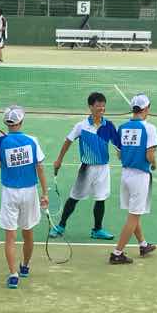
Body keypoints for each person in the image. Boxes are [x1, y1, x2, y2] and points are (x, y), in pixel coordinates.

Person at [0, 106, 48, 289]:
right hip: (29, 192)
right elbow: (39, 167)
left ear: (6, 123)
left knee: (10, 237)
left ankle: (13, 275)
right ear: (21, 122)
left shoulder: (1, 142)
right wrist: (45, 193)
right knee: (28, 233)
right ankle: (25, 266)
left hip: (10, 193)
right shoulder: (32, 141)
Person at [50, 92, 117, 240]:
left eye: (103, 105)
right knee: (74, 197)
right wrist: (59, 159)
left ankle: (97, 229)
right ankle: (60, 226)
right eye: (98, 105)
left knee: (100, 198)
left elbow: (118, 146)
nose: (101, 108)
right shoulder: (82, 126)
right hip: (86, 168)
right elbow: (68, 141)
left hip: (103, 168)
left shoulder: (109, 126)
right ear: (90, 107)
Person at [109, 94, 157, 264]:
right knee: (134, 215)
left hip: (126, 174)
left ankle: (143, 245)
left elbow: (119, 153)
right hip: (139, 176)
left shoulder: (122, 127)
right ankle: (117, 253)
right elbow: (150, 154)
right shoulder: (149, 128)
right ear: (145, 109)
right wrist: (154, 164)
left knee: (134, 213)